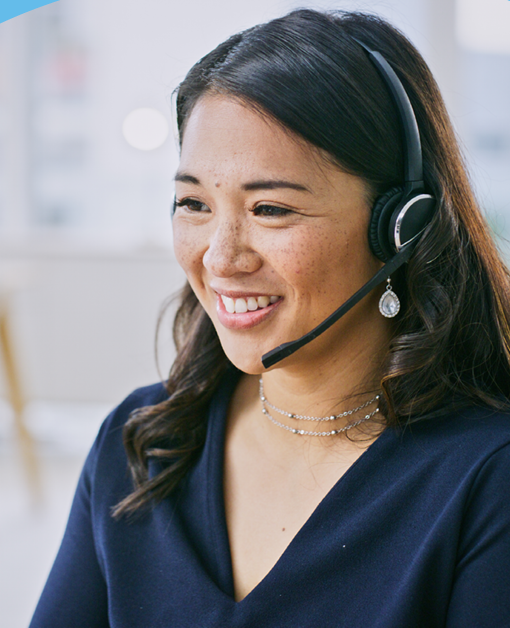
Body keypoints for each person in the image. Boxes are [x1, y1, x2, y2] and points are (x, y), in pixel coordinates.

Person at [31, 9, 510, 627]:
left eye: (271, 209)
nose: (221, 256)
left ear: (400, 226)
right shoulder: (142, 443)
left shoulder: (487, 479)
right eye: (193, 203)